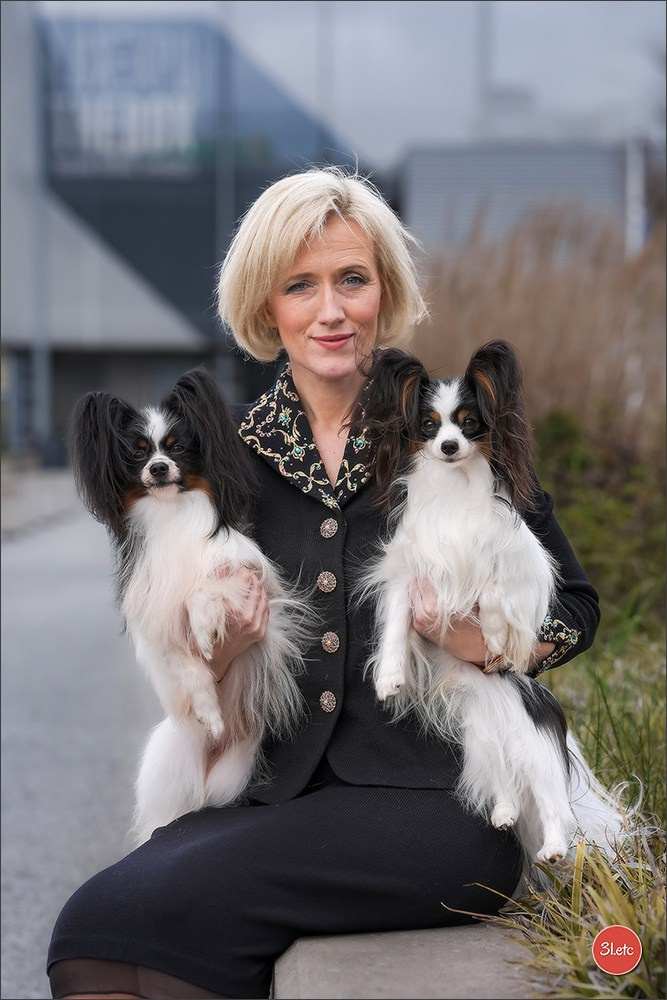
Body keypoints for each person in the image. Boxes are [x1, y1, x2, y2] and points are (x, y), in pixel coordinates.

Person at [47, 166, 600, 1000]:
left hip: (440, 799)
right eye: (299, 285)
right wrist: (221, 648)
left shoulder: (442, 431)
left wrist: (486, 644)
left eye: (351, 279)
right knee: (90, 932)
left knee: (161, 920)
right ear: (265, 306)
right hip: (271, 791)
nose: (330, 310)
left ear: (385, 291)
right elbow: (185, 651)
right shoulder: (220, 455)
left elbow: (576, 609)